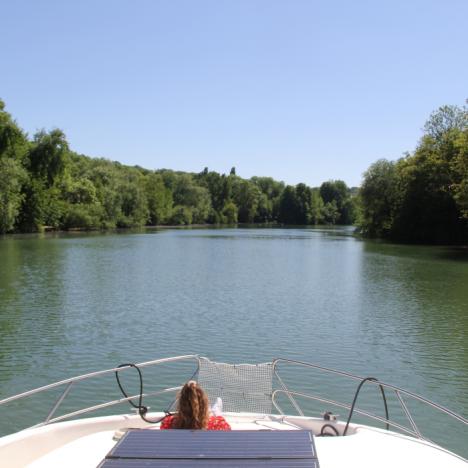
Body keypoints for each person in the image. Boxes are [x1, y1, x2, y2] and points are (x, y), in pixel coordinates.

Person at [160, 380, 231, 430]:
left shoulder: (168, 423)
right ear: (204, 405)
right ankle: (214, 411)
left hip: (179, 450)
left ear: (181, 404)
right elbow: (228, 435)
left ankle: (214, 411)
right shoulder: (218, 424)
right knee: (217, 414)